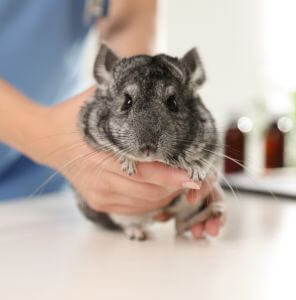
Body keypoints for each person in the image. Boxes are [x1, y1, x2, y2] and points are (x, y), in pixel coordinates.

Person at [0, 0, 223, 239]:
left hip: (50, 191)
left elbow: (127, 23)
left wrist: (145, 183)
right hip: (59, 148)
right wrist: (47, 138)